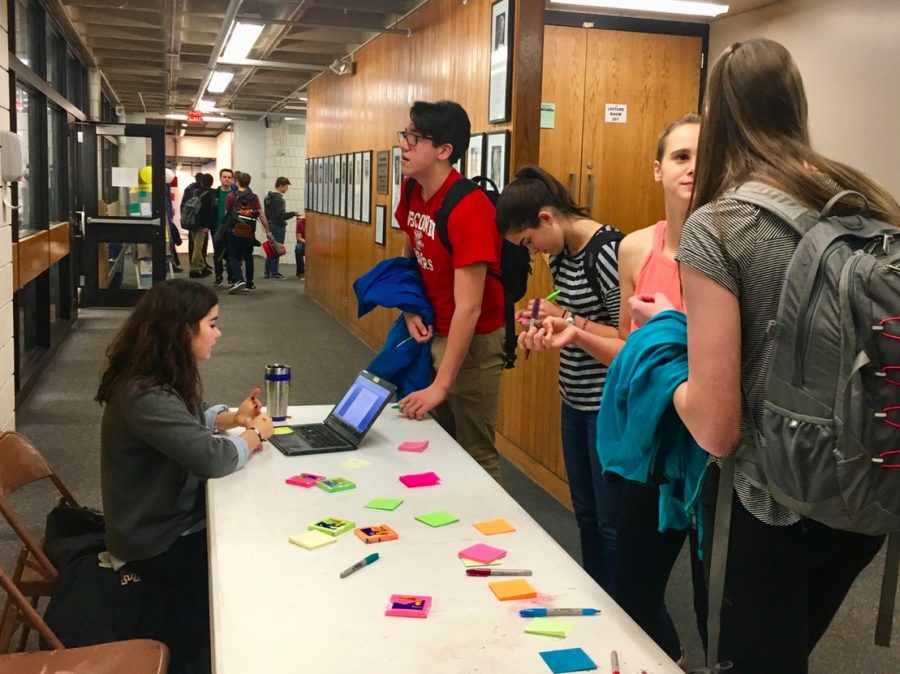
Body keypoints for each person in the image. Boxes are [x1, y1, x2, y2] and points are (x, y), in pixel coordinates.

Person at [635, 39, 897, 673]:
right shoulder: (862, 197)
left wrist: (663, 361)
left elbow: (717, 426)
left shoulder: (718, 224)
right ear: (795, 102)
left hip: (769, 500)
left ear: (715, 113)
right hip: (865, 487)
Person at [518, 114, 706, 664]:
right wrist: (570, 326)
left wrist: (580, 326)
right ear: (657, 168)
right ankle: (645, 652)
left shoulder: (728, 248)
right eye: (679, 156)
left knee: (708, 597)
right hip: (636, 432)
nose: (691, 167)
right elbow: (628, 348)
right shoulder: (637, 250)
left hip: (703, 440)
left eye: (701, 155)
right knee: (629, 577)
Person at [96, 279, 274, 673]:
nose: (218, 333)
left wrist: (235, 418)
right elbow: (212, 459)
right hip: (155, 540)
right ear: (182, 330)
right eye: (211, 323)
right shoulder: (145, 395)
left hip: (168, 520)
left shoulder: (158, 375)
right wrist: (255, 433)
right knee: (252, 562)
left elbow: (195, 416)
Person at [495, 165, 622, 592]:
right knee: (584, 514)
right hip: (575, 398)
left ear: (546, 217)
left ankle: (630, 615)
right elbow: (570, 323)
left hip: (608, 404)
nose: (531, 253)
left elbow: (630, 340)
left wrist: (566, 319)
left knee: (611, 523)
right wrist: (542, 324)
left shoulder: (608, 251)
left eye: (529, 242)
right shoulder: (560, 254)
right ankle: (600, 598)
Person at [394, 100, 506, 481]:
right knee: (434, 439)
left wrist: (441, 386)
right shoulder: (412, 190)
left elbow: (470, 308)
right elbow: (411, 250)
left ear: (444, 151)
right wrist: (409, 307)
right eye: (405, 134)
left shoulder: (469, 208)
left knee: (475, 452)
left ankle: (489, 534)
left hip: (474, 340)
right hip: (432, 328)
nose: (404, 145)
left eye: (414, 137)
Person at [225, 172, 273, 294]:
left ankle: (239, 279)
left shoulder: (231, 196)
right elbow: (261, 215)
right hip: (249, 231)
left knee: (232, 255)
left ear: (237, 182)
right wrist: (267, 231)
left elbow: (226, 213)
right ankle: (250, 284)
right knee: (248, 256)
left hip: (235, 230)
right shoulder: (254, 197)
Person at [263, 177, 301, 279]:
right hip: (278, 226)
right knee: (278, 248)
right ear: (281, 186)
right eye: (286, 186)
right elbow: (281, 215)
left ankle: (268, 270)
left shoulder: (268, 197)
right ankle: (274, 272)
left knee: (271, 248)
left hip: (270, 225)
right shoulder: (279, 199)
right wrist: (293, 213)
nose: (287, 189)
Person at [188, 174, 215, 278]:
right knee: (198, 248)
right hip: (201, 225)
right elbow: (207, 211)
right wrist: (206, 225)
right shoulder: (210, 194)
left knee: (196, 246)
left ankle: (202, 266)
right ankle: (194, 269)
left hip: (192, 222)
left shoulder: (195, 192)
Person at [212, 168, 234, 287]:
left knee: (231, 253)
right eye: (224, 177)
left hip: (231, 228)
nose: (227, 179)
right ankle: (218, 276)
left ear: (232, 179)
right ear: (220, 178)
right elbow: (210, 211)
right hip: (217, 227)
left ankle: (231, 278)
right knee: (217, 254)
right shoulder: (215, 193)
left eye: (229, 177)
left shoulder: (235, 194)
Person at [295, 213, 306, 280]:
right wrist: (307, 242)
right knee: (298, 248)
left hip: (314, 244)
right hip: (304, 243)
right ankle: (301, 272)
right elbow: (299, 238)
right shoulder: (300, 223)